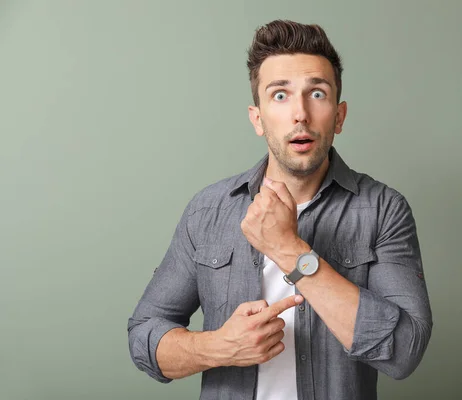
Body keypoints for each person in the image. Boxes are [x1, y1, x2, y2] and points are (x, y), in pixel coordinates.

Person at [127, 19, 433, 400]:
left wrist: (289, 248)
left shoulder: (383, 210)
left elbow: (404, 351)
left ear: (339, 116)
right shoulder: (207, 211)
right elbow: (143, 335)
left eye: (317, 94)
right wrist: (218, 346)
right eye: (280, 95)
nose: (300, 113)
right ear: (258, 118)